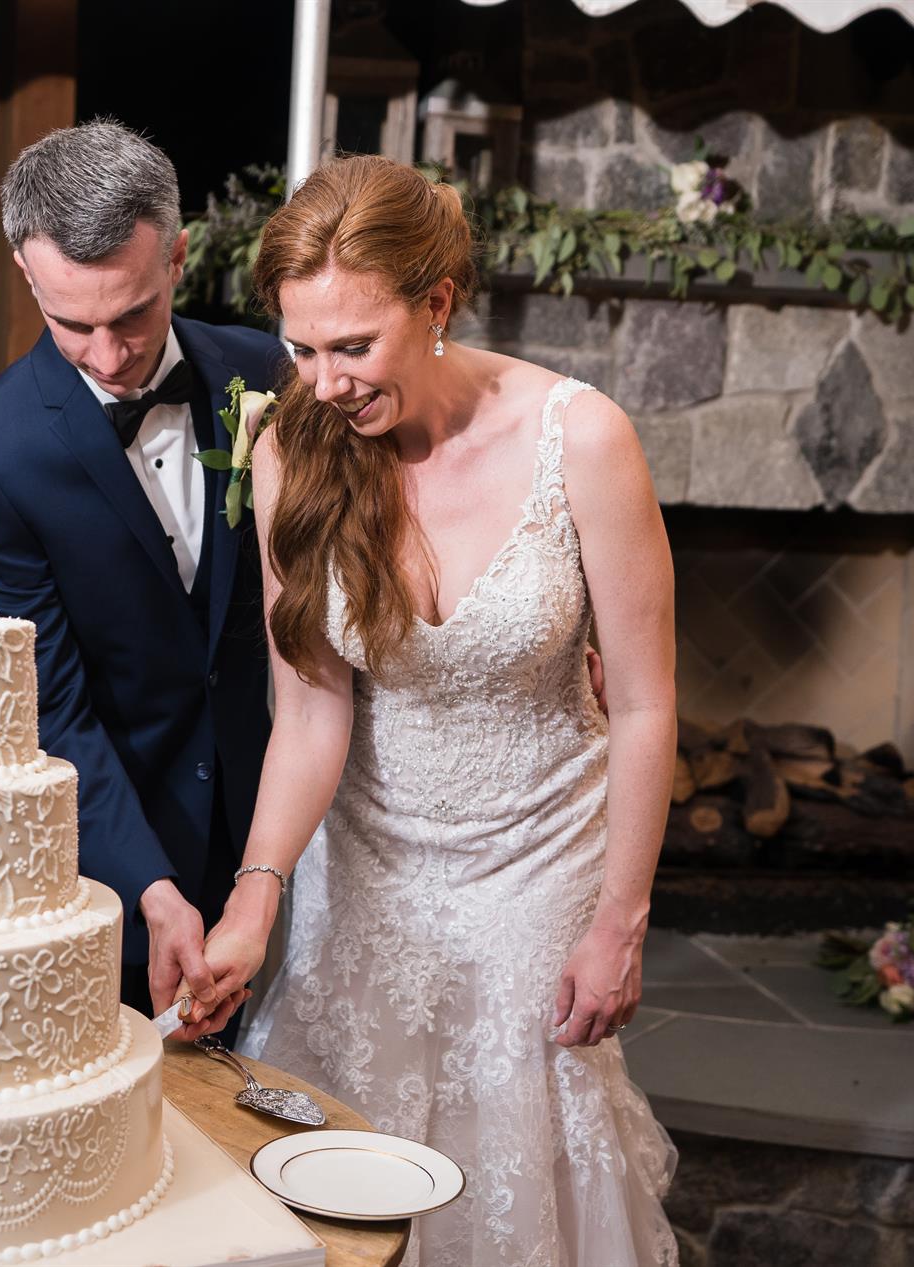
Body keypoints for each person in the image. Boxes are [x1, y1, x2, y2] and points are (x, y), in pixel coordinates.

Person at [201, 156, 681, 1265]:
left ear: (436, 305)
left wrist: (620, 920)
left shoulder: (582, 439)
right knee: (343, 1180)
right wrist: (256, 895)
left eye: (351, 346)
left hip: (538, 862)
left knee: (513, 1175)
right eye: (300, 349)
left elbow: (647, 703)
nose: (323, 382)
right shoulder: (291, 446)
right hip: (364, 868)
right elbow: (308, 709)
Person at [0, 121, 284, 1043]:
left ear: (178, 256)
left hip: (279, 846)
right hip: (111, 869)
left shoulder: (266, 375)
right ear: (26, 272)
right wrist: (151, 888)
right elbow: (52, 709)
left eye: (131, 315)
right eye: (71, 323)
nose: (107, 354)